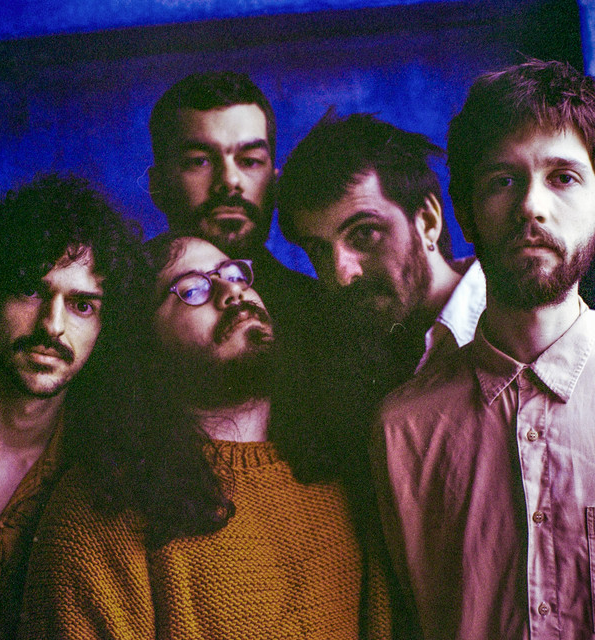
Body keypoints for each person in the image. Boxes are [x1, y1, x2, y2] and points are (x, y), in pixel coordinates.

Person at [18, 234, 393, 639]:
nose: (232, 291)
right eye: (193, 288)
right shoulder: (101, 508)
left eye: (235, 274)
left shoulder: (343, 479)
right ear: (145, 344)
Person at [370, 58, 595, 639]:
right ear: (465, 215)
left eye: (563, 177)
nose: (532, 206)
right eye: (503, 180)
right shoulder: (403, 430)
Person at [0, 172, 143, 639]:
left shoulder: (109, 464)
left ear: (103, 330)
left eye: (82, 306)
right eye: (31, 291)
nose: (52, 325)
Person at [278, 110, 486, 378]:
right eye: (318, 249)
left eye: (364, 234)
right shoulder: (344, 359)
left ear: (428, 221)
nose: (342, 275)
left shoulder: (517, 325)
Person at [148, 71, 316, 337]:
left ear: (274, 184)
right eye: (200, 161)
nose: (229, 181)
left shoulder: (322, 313)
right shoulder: (113, 308)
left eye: (250, 161)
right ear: (157, 187)